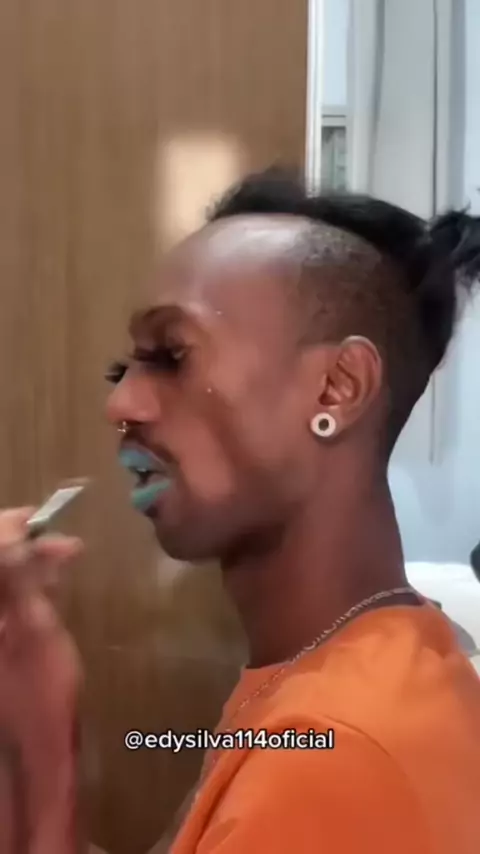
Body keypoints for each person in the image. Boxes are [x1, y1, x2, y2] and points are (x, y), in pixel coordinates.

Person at [1, 169, 480, 854]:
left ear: (337, 389)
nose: (121, 404)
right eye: (123, 370)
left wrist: (46, 747)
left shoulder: (333, 753)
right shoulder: (347, 664)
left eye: (171, 356)